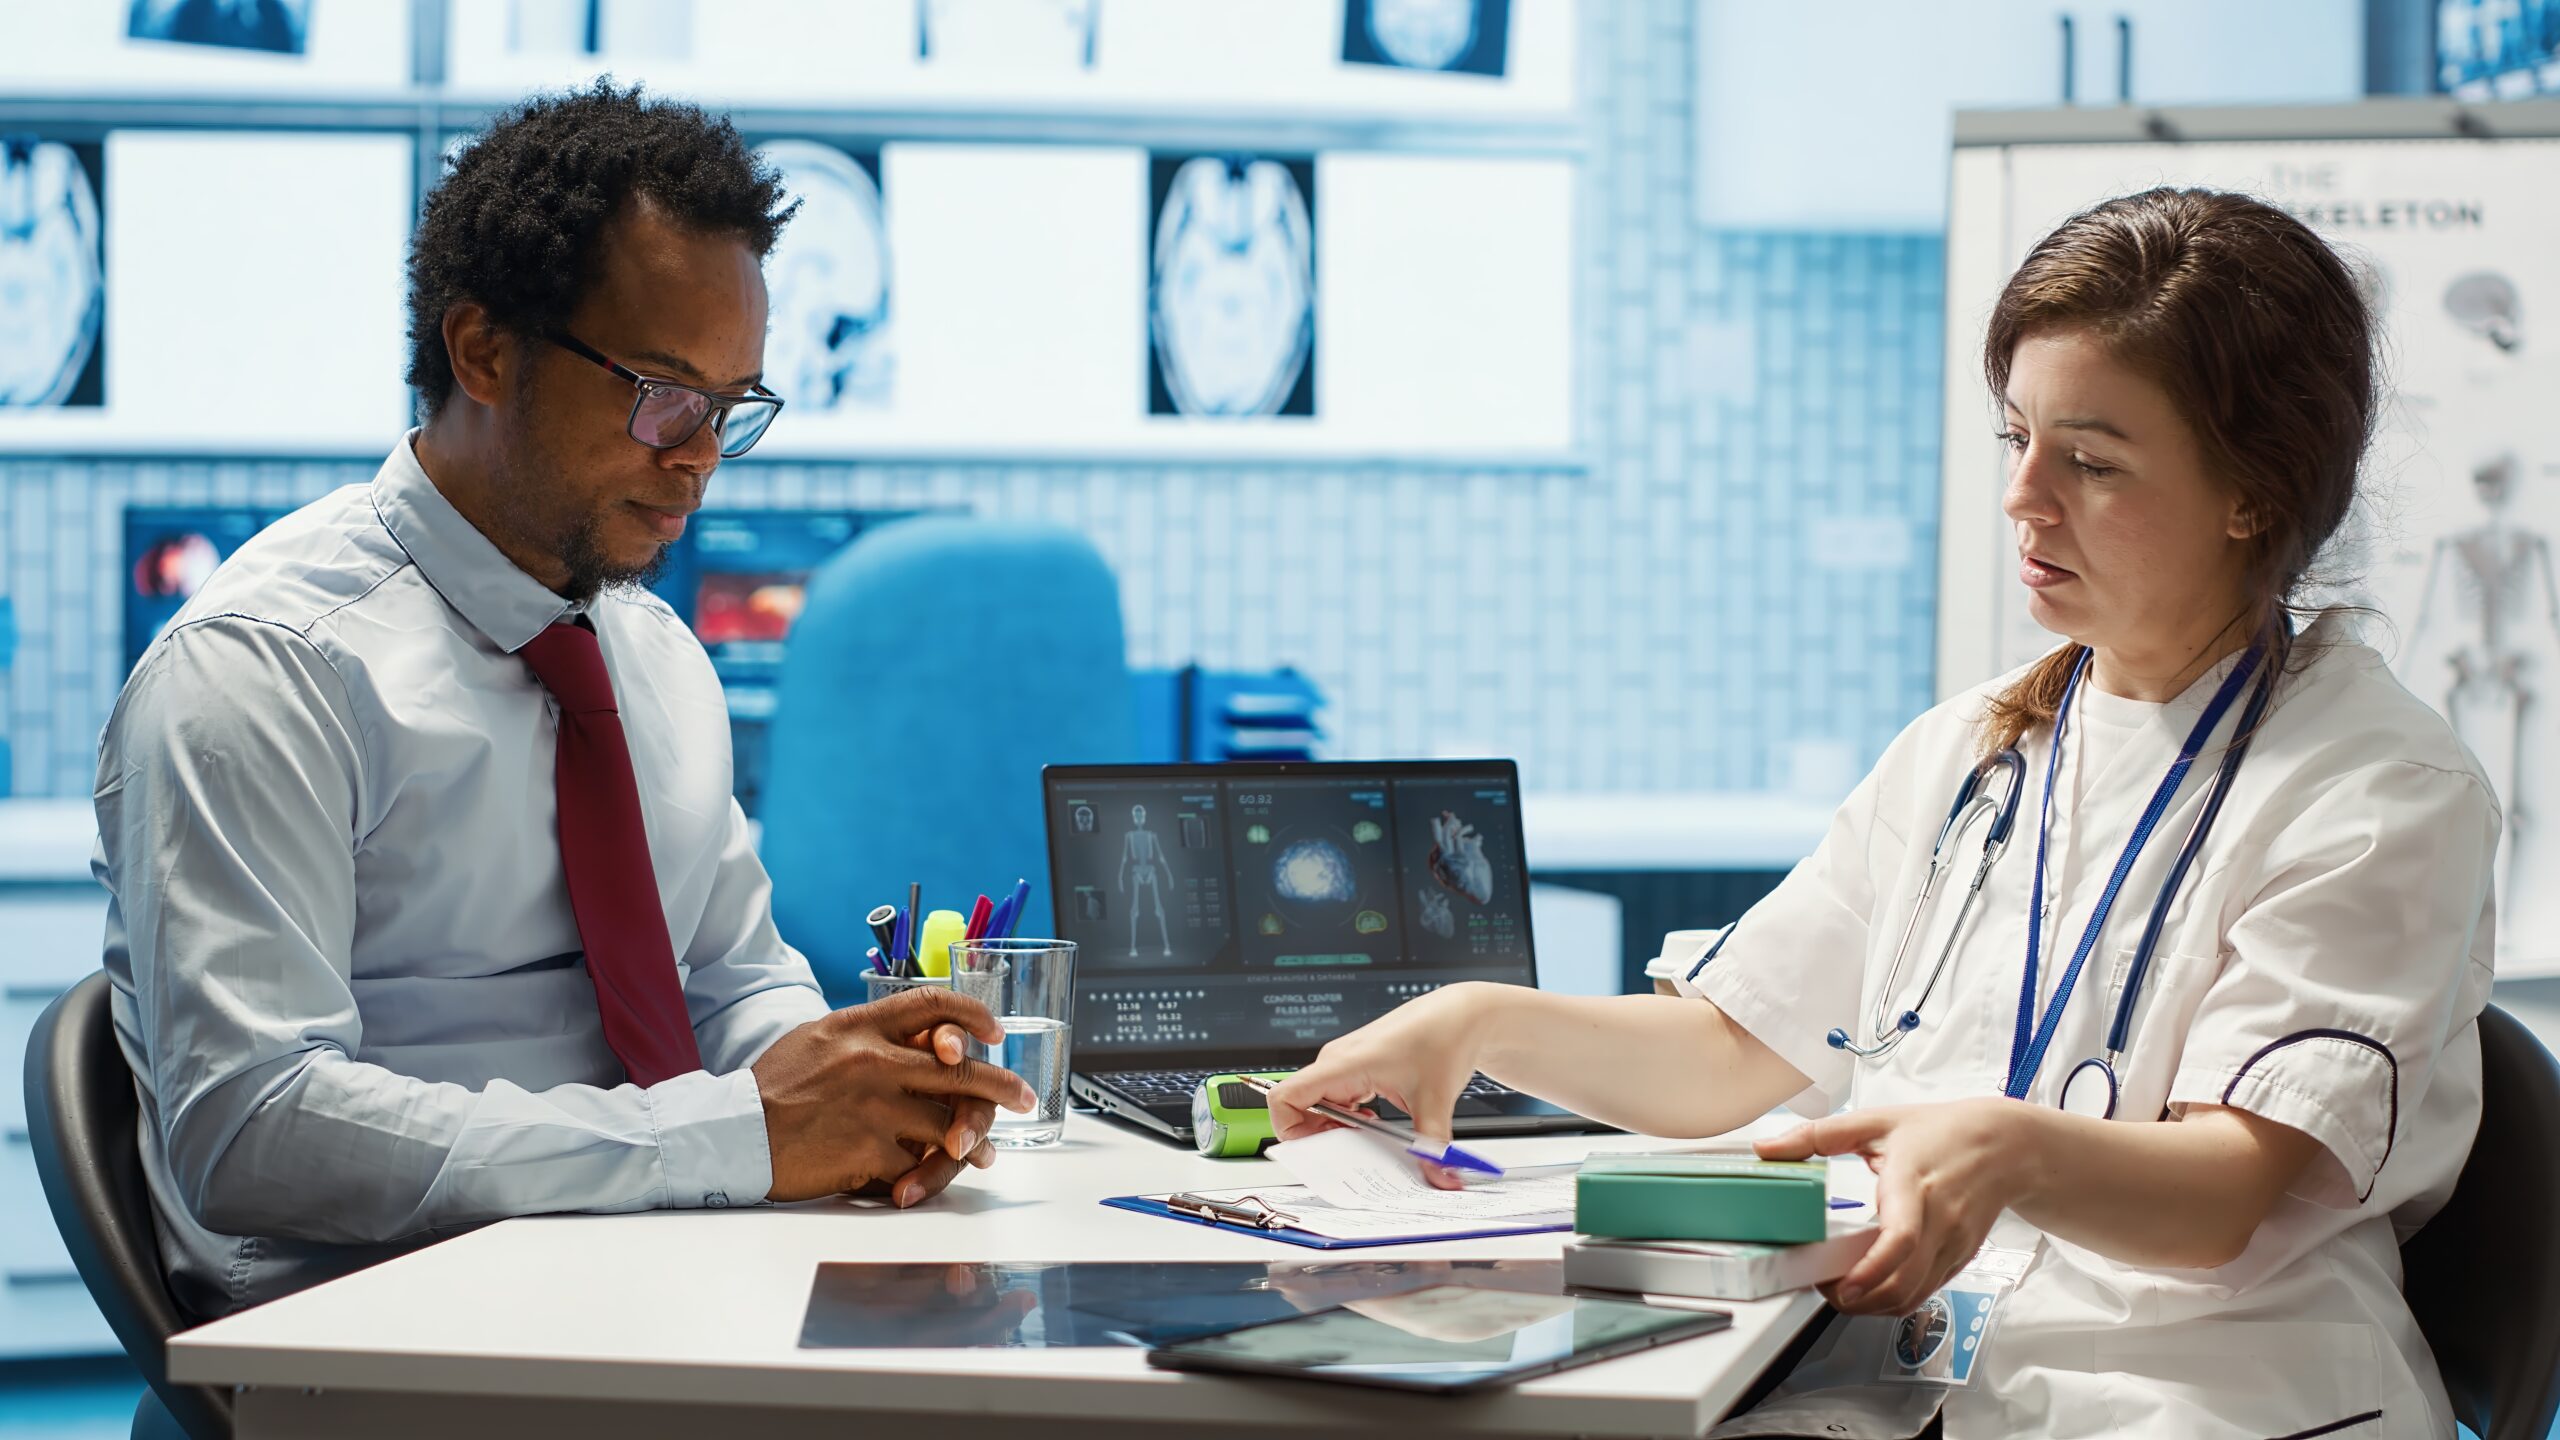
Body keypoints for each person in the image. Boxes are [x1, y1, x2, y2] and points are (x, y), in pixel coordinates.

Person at [1270, 188, 2498, 1440]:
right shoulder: (1971, 750)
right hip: (1927, 1376)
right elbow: (1731, 1054)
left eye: (2090, 460)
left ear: (2251, 492)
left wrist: (2007, 1148)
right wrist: (1478, 1024)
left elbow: (2220, 1197)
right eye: (2016, 436)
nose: (2023, 497)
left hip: (2197, 1394)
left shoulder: (2377, 789)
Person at [92, 82, 1034, 1323]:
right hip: (380, 1333)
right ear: (484, 351)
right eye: (662, 392)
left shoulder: (650, 660)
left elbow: (732, 980)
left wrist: (862, 1095)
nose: (698, 455)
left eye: (732, 407)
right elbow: (254, 1131)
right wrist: (735, 1135)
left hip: (666, 1288)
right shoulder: (263, 673)